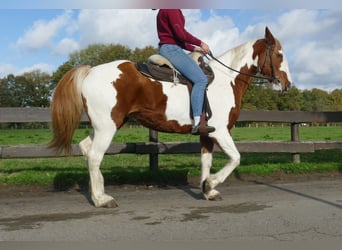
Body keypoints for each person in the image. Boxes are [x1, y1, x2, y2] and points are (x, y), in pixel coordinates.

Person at [156, 9, 215, 135]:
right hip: (172, 50)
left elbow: (177, 38)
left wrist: (194, 48)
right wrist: (201, 43)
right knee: (200, 79)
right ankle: (198, 123)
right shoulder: (172, 8)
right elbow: (181, 34)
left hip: (169, 48)